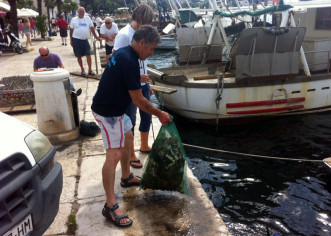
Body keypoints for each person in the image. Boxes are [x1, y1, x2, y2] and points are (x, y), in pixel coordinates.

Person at [91, 25, 171, 227]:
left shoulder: (125, 53)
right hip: (107, 112)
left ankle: (126, 178)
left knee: (128, 137)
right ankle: (110, 205)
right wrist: (160, 114)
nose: (152, 53)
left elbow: (117, 71)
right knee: (114, 155)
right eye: (151, 49)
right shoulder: (129, 60)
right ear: (142, 43)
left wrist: (137, 78)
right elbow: (139, 101)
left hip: (117, 110)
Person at [113, 3, 154, 168]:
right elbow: (115, 63)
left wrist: (145, 81)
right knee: (130, 119)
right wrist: (137, 76)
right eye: (149, 21)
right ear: (141, 18)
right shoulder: (124, 35)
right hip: (129, 85)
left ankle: (144, 145)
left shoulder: (144, 34)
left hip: (143, 84)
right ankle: (130, 154)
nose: (150, 25)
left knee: (147, 114)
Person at [70, 7, 100, 76]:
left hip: (85, 40)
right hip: (76, 39)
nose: (81, 13)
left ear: (84, 12)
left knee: (88, 54)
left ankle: (90, 70)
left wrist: (96, 36)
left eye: (82, 11)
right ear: (77, 12)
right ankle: (82, 69)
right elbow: (71, 30)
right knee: (79, 56)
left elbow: (92, 28)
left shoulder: (87, 18)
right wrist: (71, 40)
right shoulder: (74, 19)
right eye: (80, 11)